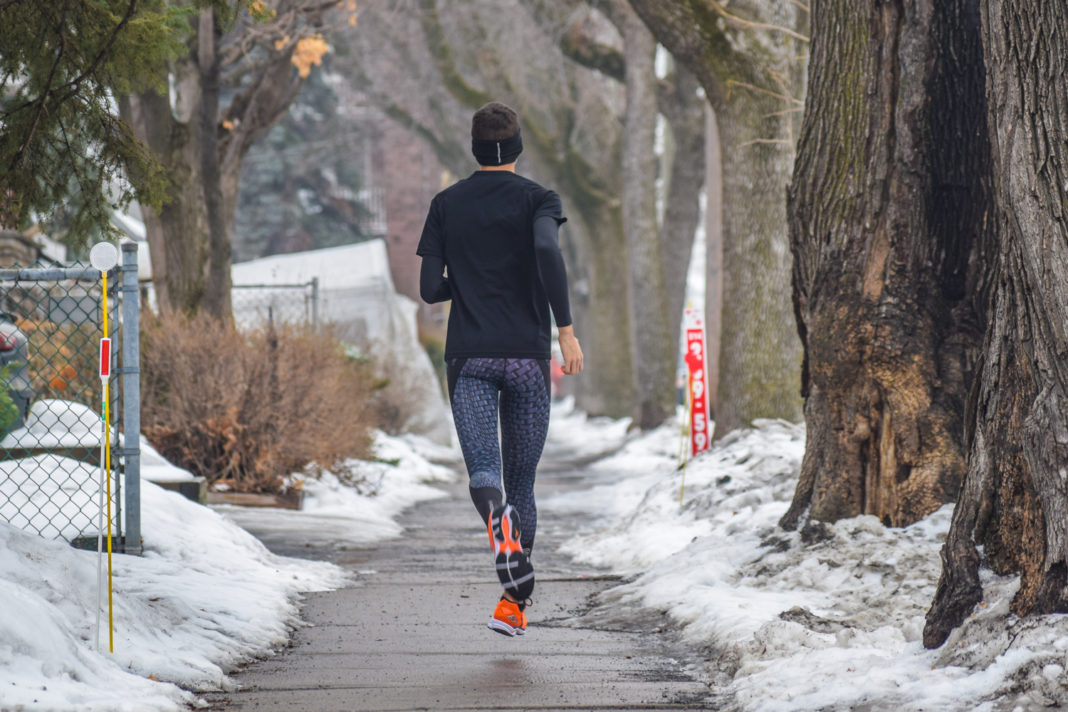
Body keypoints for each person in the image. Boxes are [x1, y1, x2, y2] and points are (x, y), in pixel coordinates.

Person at [417, 101, 583, 637]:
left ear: (473, 146)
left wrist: (461, 284)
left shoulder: (446, 203)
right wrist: (566, 330)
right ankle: (513, 605)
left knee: (484, 471)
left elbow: (427, 290)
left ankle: (497, 523)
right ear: (517, 147)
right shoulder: (540, 199)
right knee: (523, 483)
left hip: (469, 357)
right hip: (528, 360)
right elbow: (546, 251)